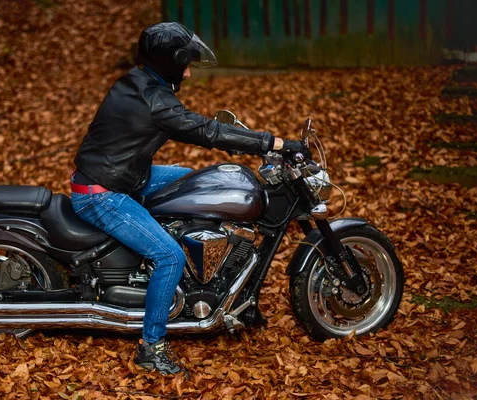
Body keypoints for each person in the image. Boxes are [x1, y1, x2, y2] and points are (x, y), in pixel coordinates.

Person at [70, 22, 310, 376]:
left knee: (196, 180)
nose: (187, 72)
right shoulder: (155, 99)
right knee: (168, 255)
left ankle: (222, 285)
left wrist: (226, 139)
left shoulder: (140, 82)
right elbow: (199, 128)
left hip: (124, 174)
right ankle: (151, 347)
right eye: (185, 64)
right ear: (169, 62)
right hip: (102, 193)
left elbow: (196, 129)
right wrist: (272, 143)